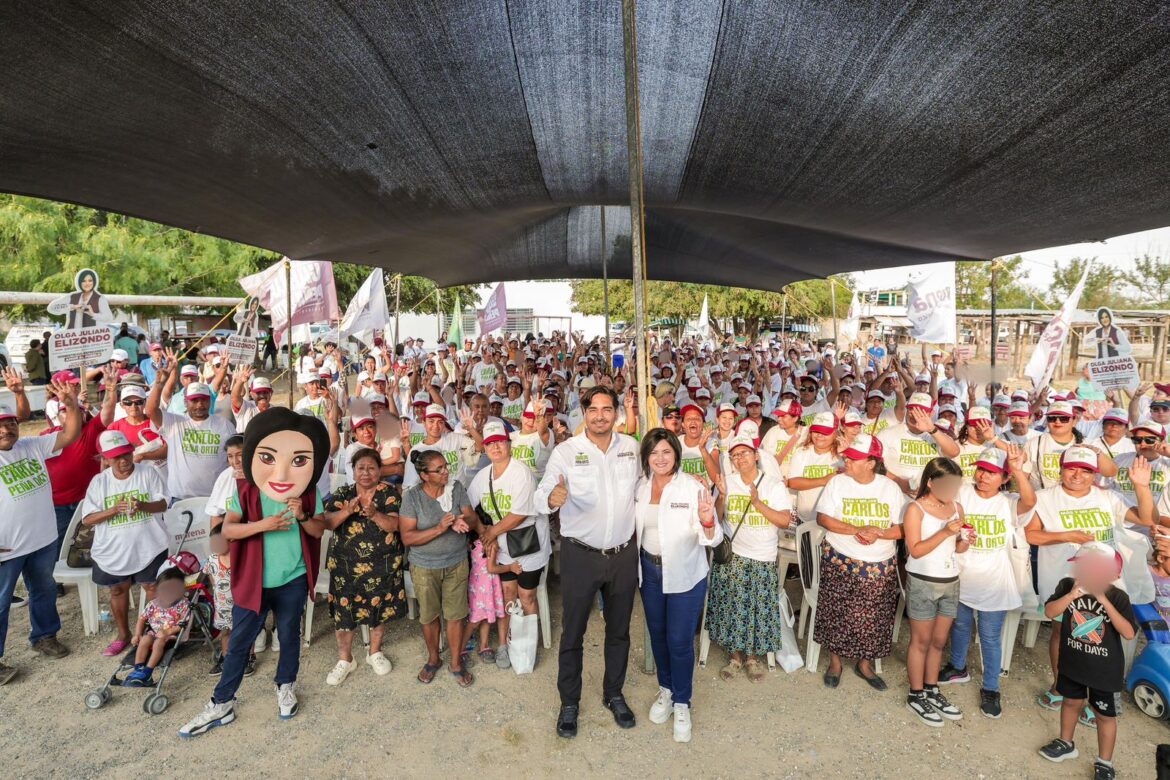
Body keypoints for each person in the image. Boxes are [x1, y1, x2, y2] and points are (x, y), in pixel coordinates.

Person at [179, 408, 331, 737]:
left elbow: (318, 531)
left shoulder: (308, 492)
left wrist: (304, 515)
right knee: (239, 643)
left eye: (298, 459)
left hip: (292, 579)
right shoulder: (246, 490)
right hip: (254, 582)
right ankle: (222, 702)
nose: (284, 469)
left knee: (288, 637)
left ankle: (286, 686)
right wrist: (265, 525)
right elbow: (228, 532)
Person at [535, 385, 641, 739]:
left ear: (616, 413)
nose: (600, 415)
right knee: (573, 632)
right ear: (583, 412)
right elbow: (540, 496)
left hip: (623, 554)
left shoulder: (631, 449)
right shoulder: (567, 452)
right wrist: (552, 496)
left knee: (620, 631)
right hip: (580, 555)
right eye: (593, 409)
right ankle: (569, 702)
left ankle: (614, 693)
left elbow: (648, 489)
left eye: (607, 409)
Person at [1026, 445, 1154, 721]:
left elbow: (1146, 519)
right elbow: (1031, 536)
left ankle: (1098, 696)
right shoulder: (1044, 498)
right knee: (1062, 633)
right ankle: (1061, 685)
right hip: (1064, 580)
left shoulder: (1108, 497)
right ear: (1061, 468)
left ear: (1094, 474)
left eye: (1086, 470)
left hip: (1106, 582)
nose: (1077, 475)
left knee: (1104, 639)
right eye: (1072, 468)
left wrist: (1141, 486)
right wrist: (1065, 535)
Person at [636, 428, 721, 743]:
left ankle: (683, 701)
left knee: (680, 641)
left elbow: (712, 537)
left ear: (676, 454)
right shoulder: (640, 488)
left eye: (666, 452)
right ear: (647, 457)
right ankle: (667, 690)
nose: (660, 458)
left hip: (685, 574)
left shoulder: (692, 487)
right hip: (650, 571)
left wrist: (708, 520)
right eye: (654, 452)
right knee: (658, 636)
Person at [939, 446, 1036, 719]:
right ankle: (958, 666)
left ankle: (991, 687)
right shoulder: (963, 492)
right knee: (959, 625)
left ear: (1004, 477)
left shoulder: (1009, 501)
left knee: (990, 636)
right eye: (981, 469)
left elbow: (1030, 502)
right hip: (961, 573)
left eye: (992, 473)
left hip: (995, 581)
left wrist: (1018, 468)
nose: (983, 476)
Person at [0, 375, 81, 684]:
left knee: (44, 590)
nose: (6, 430)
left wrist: (70, 403)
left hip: (43, 539)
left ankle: (45, 636)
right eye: (1, 425)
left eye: (10, 424)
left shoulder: (31, 445)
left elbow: (71, 433)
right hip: (6, 548)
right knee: (0, 603)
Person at [813, 433, 907, 691]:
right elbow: (823, 518)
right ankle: (835, 663)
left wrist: (878, 532)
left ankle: (865, 664)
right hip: (841, 558)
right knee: (835, 612)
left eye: (854, 459)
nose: (847, 461)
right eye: (848, 457)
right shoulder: (837, 483)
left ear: (871, 463)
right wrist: (856, 529)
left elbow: (902, 529)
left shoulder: (889, 488)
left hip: (879, 563)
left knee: (875, 618)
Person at [1038, 543, 1136, 780]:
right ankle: (1066, 741)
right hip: (1073, 662)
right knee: (1070, 702)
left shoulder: (1118, 597)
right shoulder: (1067, 586)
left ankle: (1105, 762)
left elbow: (1129, 633)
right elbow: (1050, 612)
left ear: (1114, 574)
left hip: (1104, 671)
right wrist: (1072, 595)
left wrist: (1104, 601)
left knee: (1104, 715)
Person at [707, 433, 793, 683]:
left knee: (757, 610)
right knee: (732, 607)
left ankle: (753, 659)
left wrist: (757, 503)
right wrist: (721, 497)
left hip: (763, 556)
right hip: (734, 556)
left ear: (756, 455)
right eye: (735, 455)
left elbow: (785, 520)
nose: (740, 458)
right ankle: (735, 658)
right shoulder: (728, 483)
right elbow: (717, 517)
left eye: (745, 453)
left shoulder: (773, 485)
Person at [467, 420, 552, 670]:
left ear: (509, 444)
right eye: (490, 443)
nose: (495, 447)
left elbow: (520, 514)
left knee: (526, 596)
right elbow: (467, 506)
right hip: (502, 547)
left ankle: (527, 644)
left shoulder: (521, 472)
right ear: (484, 447)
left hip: (528, 545)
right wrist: (482, 530)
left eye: (500, 442)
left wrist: (489, 533)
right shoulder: (483, 477)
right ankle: (504, 643)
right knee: (507, 595)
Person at [81, 430, 171, 657]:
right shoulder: (99, 482)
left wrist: (143, 505)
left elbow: (163, 504)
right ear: (105, 458)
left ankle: (155, 634)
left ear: (132, 451)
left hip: (149, 545)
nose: (123, 461)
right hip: (112, 549)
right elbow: (88, 519)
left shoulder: (147, 473)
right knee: (118, 589)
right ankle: (123, 635)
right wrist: (113, 510)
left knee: (152, 587)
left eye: (126, 454)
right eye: (116, 457)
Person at [399, 449, 483, 687]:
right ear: (424, 475)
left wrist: (459, 520)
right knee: (429, 615)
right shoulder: (412, 497)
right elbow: (408, 537)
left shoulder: (456, 489)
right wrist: (440, 528)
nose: (447, 471)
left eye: (446, 466)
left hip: (456, 563)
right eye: (440, 469)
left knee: (456, 615)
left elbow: (472, 518)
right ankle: (434, 658)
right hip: (424, 566)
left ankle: (456, 662)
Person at [320, 448, 405, 685]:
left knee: (378, 608)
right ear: (353, 471)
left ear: (379, 470)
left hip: (382, 564)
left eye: (371, 468)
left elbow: (395, 525)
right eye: (361, 468)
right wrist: (347, 511)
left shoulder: (389, 493)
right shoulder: (343, 493)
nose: (366, 473)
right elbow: (327, 523)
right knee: (343, 613)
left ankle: (374, 652)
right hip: (345, 566)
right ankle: (345, 659)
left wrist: (375, 514)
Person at [902, 457, 968, 726]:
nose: (953, 491)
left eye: (956, 485)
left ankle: (932, 689)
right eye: (948, 485)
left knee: (940, 642)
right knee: (921, 641)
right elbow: (915, 550)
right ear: (931, 482)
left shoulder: (957, 507)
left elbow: (958, 547)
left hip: (951, 580)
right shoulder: (915, 509)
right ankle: (915, 694)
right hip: (922, 581)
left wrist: (964, 540)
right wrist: (943, 533)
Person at [146, 360, 236, 502]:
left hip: (215, 498)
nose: (200, 405)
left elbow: (233, 458)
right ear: (185, 402)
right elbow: (150, 410)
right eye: (194, 400)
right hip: (180, 499)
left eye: (204, 400)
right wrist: (159, 384)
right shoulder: (174, 422)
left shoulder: (224, 425)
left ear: (210, 401)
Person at [202, 525, 256, 677]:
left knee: (245, 632)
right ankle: (226, 658)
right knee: (226, 632)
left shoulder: (239, 558)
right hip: (223, 605)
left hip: (241, 603)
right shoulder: (212, 559)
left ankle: (248, 658)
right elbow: (210, 575)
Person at [122, 567, 189, 686]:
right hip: (154, 633)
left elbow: (182, 623)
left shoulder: (183, 604)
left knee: (158, 642)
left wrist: (168, 632)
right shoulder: (153, 604)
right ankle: (139, 669)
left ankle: (148, 671)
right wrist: (137, 634)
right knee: (145, 639)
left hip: (171, 636)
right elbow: (142, 619)